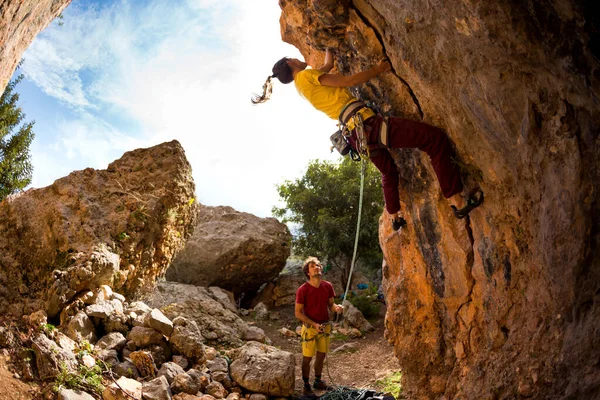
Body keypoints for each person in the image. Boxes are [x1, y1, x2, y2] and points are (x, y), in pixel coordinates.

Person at [252, 49, 483, 229]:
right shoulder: (305, 75)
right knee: (434, 139)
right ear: (290, 63)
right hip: (368, 125)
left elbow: (327, 66)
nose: (299, 59)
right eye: (294, 58)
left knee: (388, 172)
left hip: (356, 136)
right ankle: (458, 202)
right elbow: (348, 81)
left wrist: (329, 49)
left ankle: (394, 216)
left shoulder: (302, 86)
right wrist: (379, 69)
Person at [295, 256, 344, 395]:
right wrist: (313, 324)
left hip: (325, 327)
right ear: (308, 272)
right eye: (312, 266)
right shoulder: (303, 290)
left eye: (318, 265)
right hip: (310, 328)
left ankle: (318, 380)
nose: (317, 267)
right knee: (307, 358)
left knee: (321, 355)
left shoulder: (327, 286)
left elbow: (331, 305)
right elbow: (298, 313)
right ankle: (306, 385)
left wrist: (337, 308)